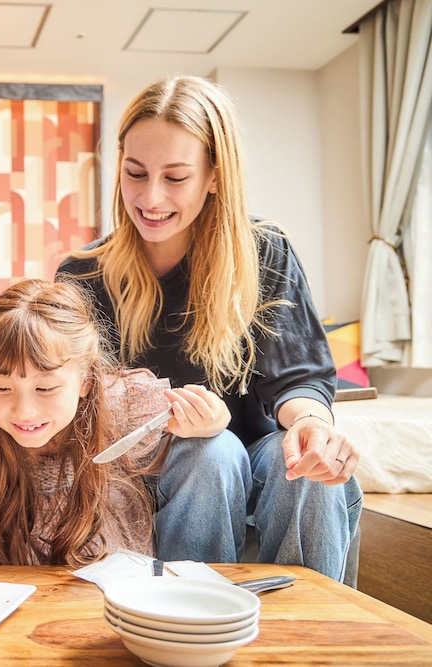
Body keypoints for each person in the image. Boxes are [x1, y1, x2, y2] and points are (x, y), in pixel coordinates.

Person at [56, 74, 362, 581]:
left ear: (215, 175)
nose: (150, 198)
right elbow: (74, 402)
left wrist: (312, 424)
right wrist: (168, 429)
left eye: (175, 178)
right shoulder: (83, 274)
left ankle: (311, 640)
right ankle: (184, 623)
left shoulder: (265, 251)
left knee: (306, 473)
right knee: (208, 453)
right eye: (135, 173)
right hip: (146, 466)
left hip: (259, 454)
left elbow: (298, 377)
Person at [0, 278, 230, 566]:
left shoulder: (125, 402)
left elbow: (213, 419)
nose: (24, 411)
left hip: (114, 584)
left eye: (45, 388)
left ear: (86, 382)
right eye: (2, 388)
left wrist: (211, 416)